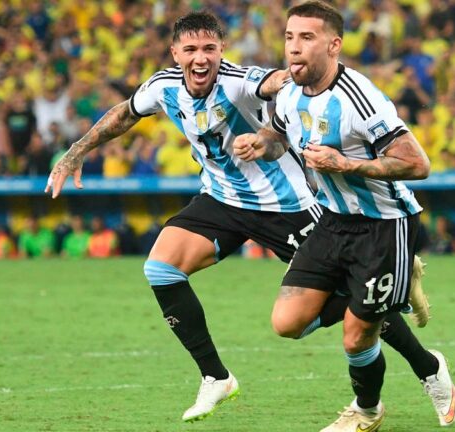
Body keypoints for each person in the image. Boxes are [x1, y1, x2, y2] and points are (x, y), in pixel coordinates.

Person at [45, 12, 319, 422]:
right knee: (161, 269)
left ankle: (417, 356)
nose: (200, 57)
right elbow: (126, 112)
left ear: (221, 50)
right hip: (223, 200)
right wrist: (76, 151)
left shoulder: (237, 80)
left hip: (286, 203)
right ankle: (216, 377)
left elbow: (272, 81)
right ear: (175, 53)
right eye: (190, 49)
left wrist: (296, 76)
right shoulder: (163, 86)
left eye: (209, 48)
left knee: (350, 293)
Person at [233, 2, 455, 430]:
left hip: (384, 225)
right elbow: (279, 135)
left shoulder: (359, 98)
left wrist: (347, 164)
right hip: (333, 219)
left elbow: (418, 164)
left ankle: (367, 411)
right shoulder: (289, 91)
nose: (293, 48)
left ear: (333, 45)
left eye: (307, 38)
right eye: (289, 37)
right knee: (287, 323)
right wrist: (260, 143)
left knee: (357, 335)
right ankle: (399, 295)